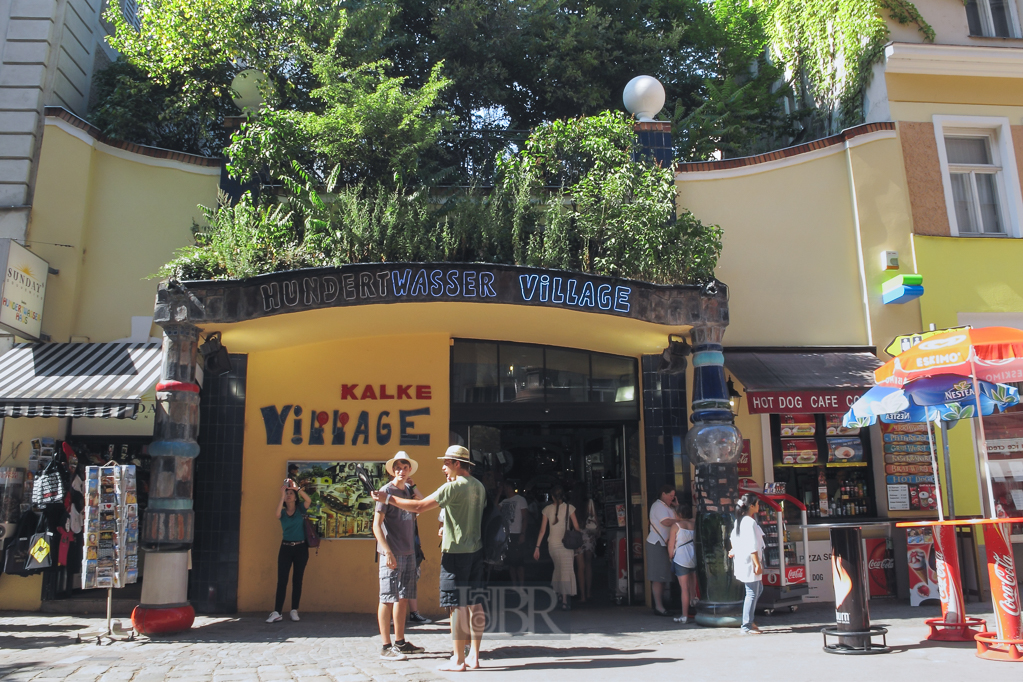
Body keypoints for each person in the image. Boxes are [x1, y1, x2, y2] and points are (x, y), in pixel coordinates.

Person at [371, 445, 486, 672]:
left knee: (457, 604)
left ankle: (458, 660)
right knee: (475, 603)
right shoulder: (479, 486)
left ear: (457, 463)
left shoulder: (452, 487)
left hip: (455, 552)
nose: (443, 467)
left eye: (446, 463)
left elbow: (420, 506)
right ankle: (474, 656)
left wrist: (389, 498)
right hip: (476, 551)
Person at [372, 452, 426, 660]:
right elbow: (376, 525)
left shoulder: (409, 491)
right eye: (397, 467)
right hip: (392, 552)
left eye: (404, 467)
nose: (400, 471)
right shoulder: (386, 491)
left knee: (403, 597)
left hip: (409, 551)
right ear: (392, 469)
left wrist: (413, 487)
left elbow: (422, 506)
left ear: (409, 470)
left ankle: (400, 642)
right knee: (387, 598)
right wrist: (387, 552)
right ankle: (386, 645)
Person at [267, 478, 312, 623]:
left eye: (291, 493)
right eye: (287, 493)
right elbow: (277, 514)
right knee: (282, 580)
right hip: (286, 547)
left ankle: (294, 610)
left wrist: (296, 488)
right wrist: (281, 497)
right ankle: (277, 611)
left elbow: (308, 500)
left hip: (301, 548)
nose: (289, 495)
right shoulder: (283, 512)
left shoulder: (301, 509)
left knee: (297, 580)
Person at [533, 485, 580, 610]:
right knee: (565, 570)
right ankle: (564, 600)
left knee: (558, 568)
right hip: (567, 544)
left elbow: (542, 531)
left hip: (552, 545)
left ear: (552, 497)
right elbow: (577, 528)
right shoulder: (570, 508)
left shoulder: (547, 509)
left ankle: (558, 592)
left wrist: (537, 547)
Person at [729, 493, 766, 634]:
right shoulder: (749, 522)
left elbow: (734, 538)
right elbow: (752, 545)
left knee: (757, 590)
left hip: (743, 560)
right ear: (751, 506)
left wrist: (734, 549)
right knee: (751, 593)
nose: (758, 506)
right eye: (757, 504)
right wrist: (757, 564)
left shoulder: (740, 521)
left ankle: (748, 620)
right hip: (749, 561)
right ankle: (746, 625)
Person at [646, 485, 678, 616]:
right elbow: (666, 522)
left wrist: (676, 506)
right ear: (663, 494)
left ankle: (662, 605)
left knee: (664, 575)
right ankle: (659, 606)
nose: (672, 498)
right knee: (658, 576)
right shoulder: (657, 506)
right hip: (657, 543)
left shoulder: (668, 507)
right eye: (670, 496)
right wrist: (680, 520)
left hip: (666, 544)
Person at [667, 503, 696, 624]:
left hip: (681, 559)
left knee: (684, 589)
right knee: (693, 589)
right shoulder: (693, 524)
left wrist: (670, 557)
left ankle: (684, 615)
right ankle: (696, 613)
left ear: (679, 514)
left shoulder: (676, 526)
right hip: (693, 557)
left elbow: (671, 545)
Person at [572, 487, 599, 604]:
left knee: (580, 567)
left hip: (577, 537)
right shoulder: (590, 503)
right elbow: (595, 520)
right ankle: (589, 592)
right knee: (588, 565)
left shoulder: (572, 505)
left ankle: (582, 595)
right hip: (589, 537)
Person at [499, 482, 529, 585]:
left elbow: (525, 517)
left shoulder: (520, 500)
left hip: (517, 533)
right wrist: (498, 494)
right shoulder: (504, 501)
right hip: (507, 534)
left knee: (519, 562)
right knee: (510, 562)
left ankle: (521, 584)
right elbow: (495, 509)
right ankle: (515, 584)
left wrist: (523, 533)